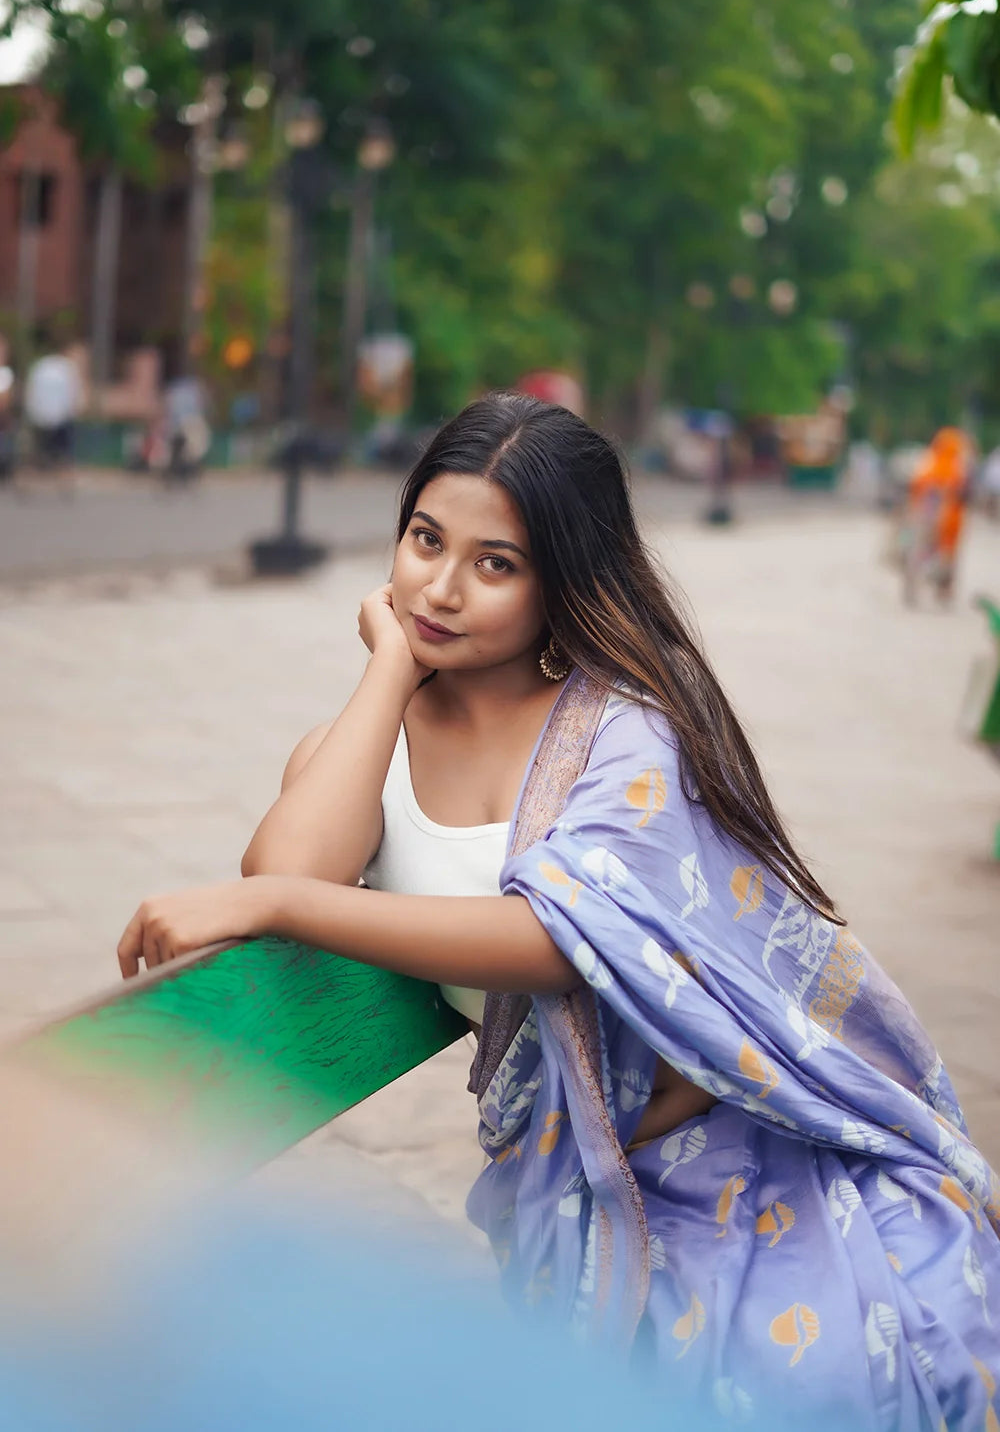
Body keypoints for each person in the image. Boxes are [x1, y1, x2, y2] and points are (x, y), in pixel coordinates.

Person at [118, 394, 1000, 1427]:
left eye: (496, 564)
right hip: (581, 1199)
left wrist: (276, 900)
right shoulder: (365, 742)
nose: (439, 588)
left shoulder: (626, 729)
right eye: (423, 540)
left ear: (562, 582)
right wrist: (389, 669)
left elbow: (550, 941)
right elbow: (289, 862)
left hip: (753, 1167)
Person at [902, 426, 973, 605]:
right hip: (939, 521)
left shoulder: (931, 463)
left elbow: (914, 487)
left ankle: (930, 588)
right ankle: (938, 589)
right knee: (940, 556)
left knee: (925, 554)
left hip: (936, 520)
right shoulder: (951, 467)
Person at [24, 338, 83, 491]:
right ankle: (66, 483)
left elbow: (30, 391)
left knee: (37, 451)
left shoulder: (40, 366)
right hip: (61, 416)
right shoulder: (68, 368)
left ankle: (27, 481)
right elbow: (73, 394)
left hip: (39, 416)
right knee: (65, 453)